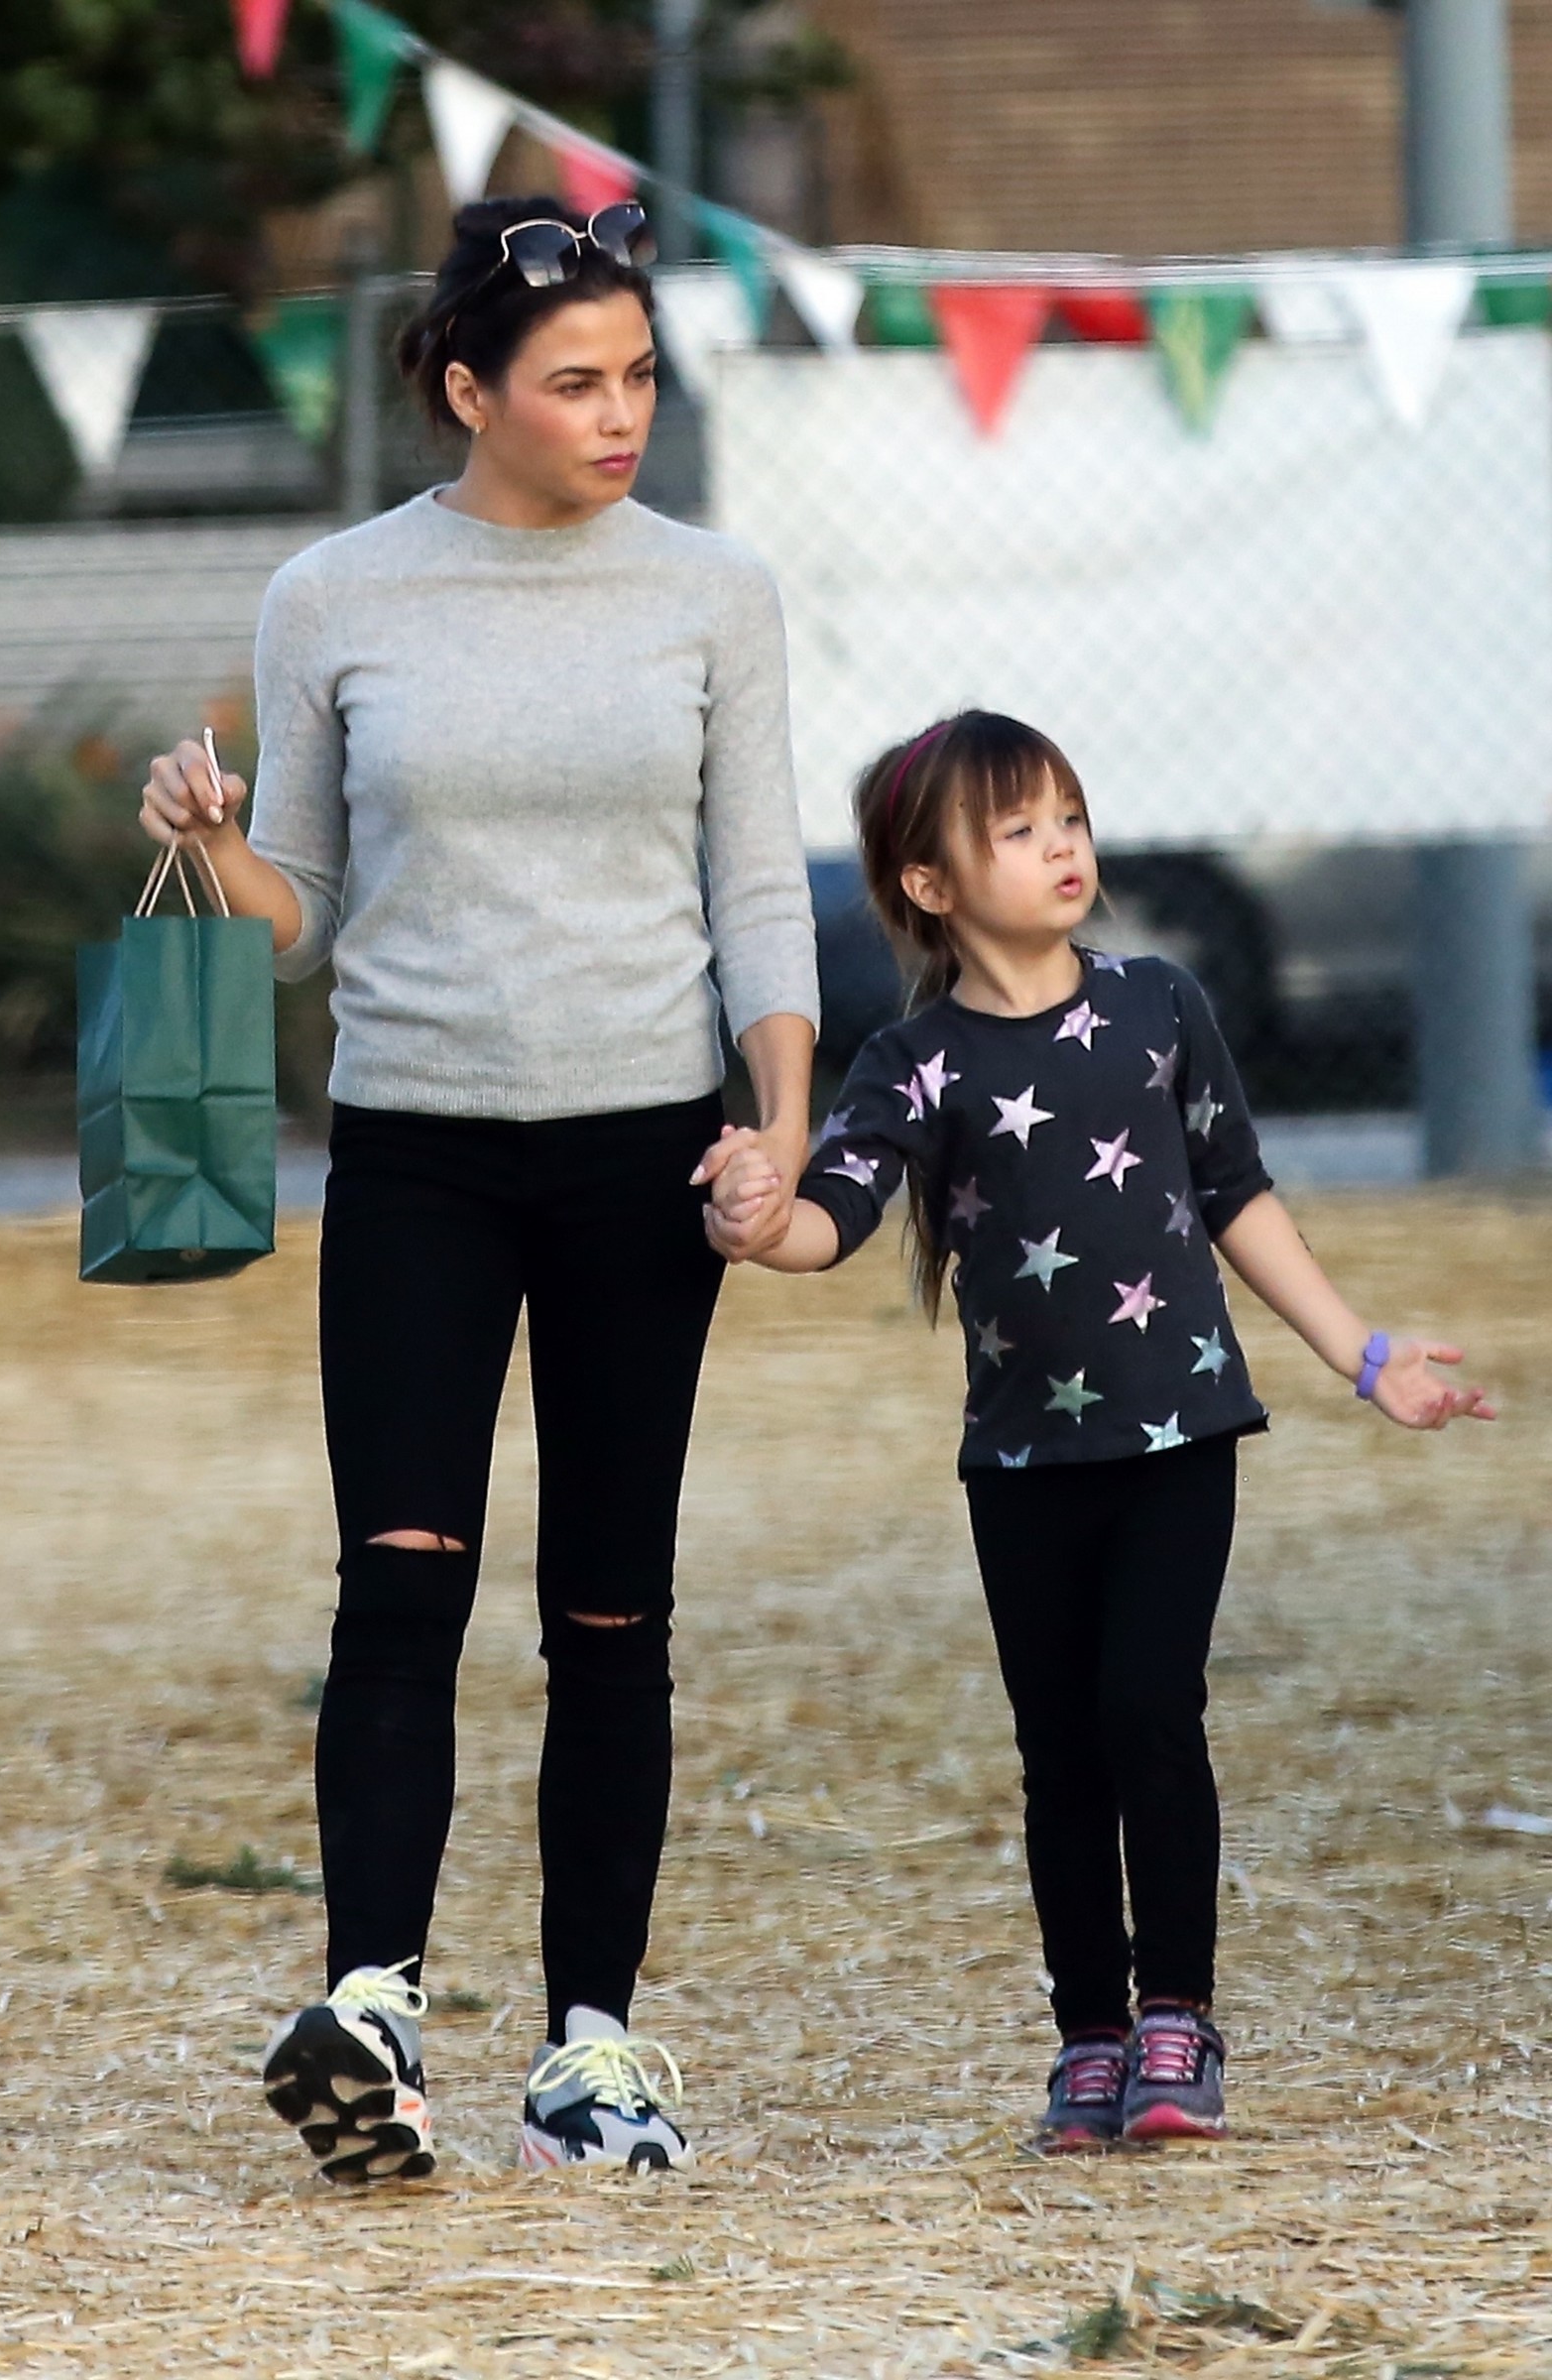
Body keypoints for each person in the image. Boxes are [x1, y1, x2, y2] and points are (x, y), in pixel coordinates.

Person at [140, 196, 817, 2183]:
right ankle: (373, 2014)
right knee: (399, 1584)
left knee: (610, 1610)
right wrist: (205, 842)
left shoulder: (715, 593)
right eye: (575, 382)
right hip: (417, 1150)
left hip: (642, 1155)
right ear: (466, 390)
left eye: (639, 377)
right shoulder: (332, 595)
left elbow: (757, 888)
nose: (621, 415)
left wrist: (776, 1126)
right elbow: (295, 911)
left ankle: (591, 2054)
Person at [705, 710, 1492, 2150]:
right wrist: (756, 1220)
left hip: (1182, 1434)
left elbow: (1237, 1193)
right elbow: (835, 1216)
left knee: (1148, 1708)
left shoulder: (1158, 1006)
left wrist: (1362, 1352)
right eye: (1018, 830)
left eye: (1068, 817)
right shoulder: (914, 1064)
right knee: (1060, 1752)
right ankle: (1090, 2038)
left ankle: (1177, 2018)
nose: (1063, 846)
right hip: (1024, 1465)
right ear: (931, 884)